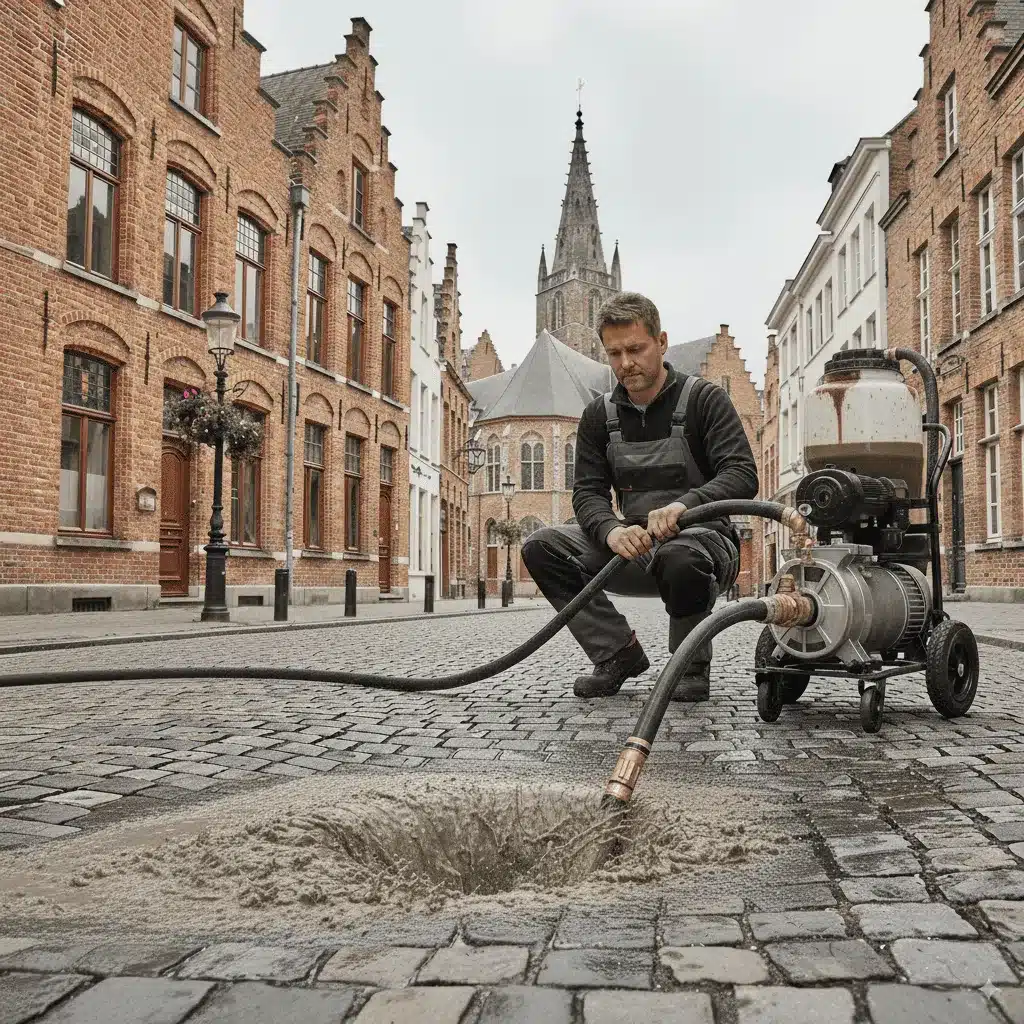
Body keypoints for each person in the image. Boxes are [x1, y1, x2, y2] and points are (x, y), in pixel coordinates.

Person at [521, 292, 758, 701]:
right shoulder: (599, 415)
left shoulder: (705, 401)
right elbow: (589, 492)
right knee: (541, 547)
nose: (625, 363)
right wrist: (610, 530)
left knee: (679, 556)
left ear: (661, 343)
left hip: (704, 547)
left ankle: (689, 664)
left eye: (635, 349)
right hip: (635, 546)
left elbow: (742, 474)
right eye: (614, 354)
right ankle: (616, 653)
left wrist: (684, 507)